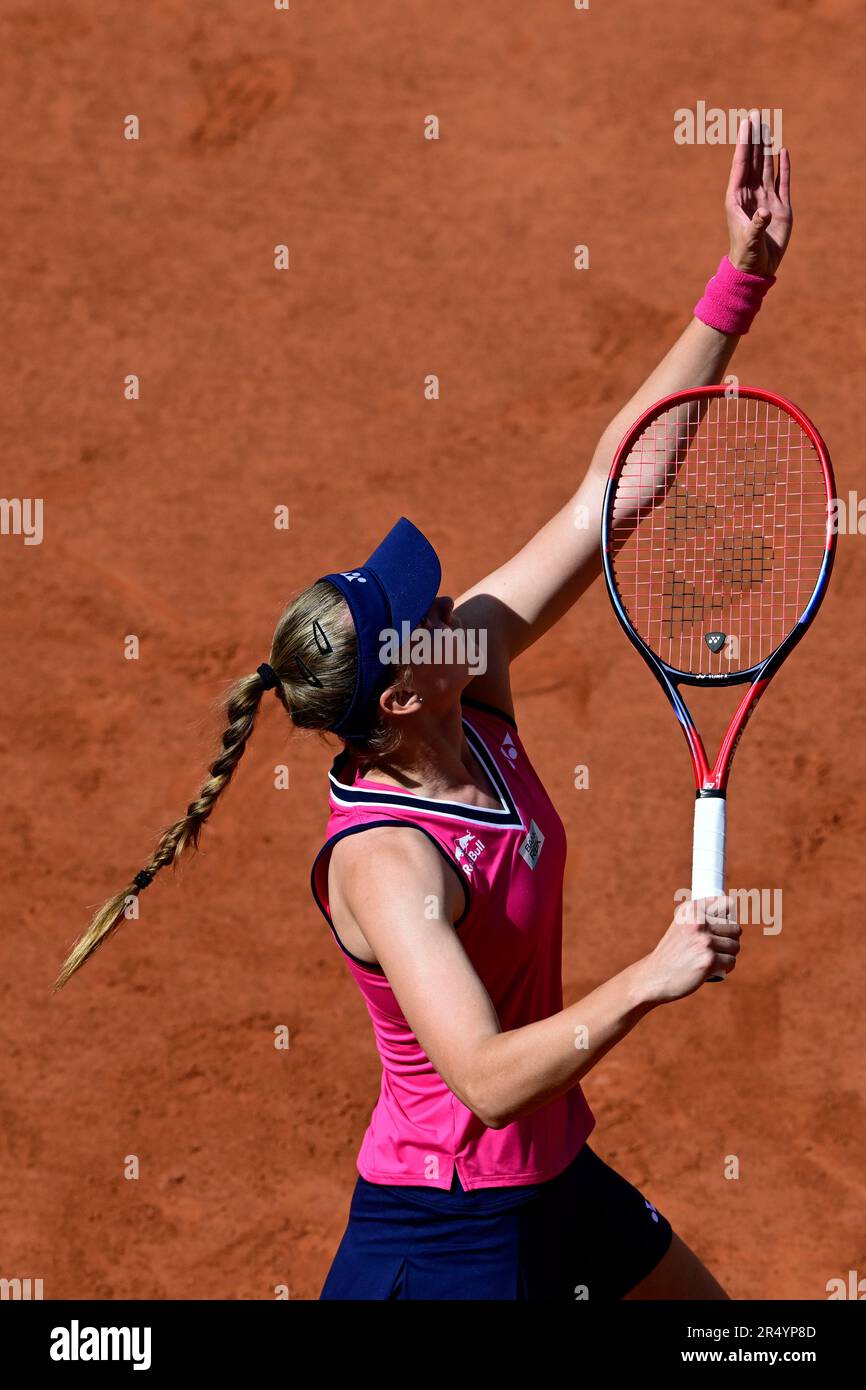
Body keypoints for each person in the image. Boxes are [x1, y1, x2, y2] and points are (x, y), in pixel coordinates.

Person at [56, 113, 790, 1299]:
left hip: (553, 1184)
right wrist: (652, 972)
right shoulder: (385, 864)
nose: (450, 595)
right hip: (445, 1242)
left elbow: (612, 490)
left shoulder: (472, 677)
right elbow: (488, 1078)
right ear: (401, 688)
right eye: (425, 604)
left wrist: (737, 279)